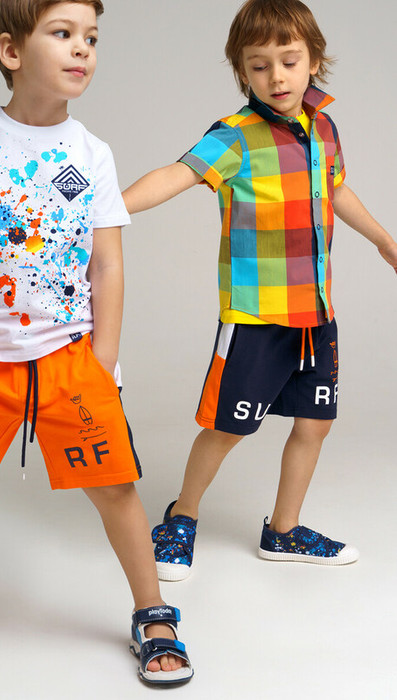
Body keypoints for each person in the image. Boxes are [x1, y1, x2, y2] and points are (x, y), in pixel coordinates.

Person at [0, 0, 193, 685]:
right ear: (12, 50)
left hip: (70, 357)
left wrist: (103, 359)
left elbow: (108, 263)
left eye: (91, 38)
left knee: (116, 489)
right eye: (63, 34)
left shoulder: (93, 154)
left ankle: (153, 611)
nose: (83, 49)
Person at [123, 0, 397, 582]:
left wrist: (384, 241)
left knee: (314, 424)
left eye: (289, 61)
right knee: (228, 427)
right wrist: (109, 209)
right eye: (259, 65)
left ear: (314, 61)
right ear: (242, 71)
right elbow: (176, 174)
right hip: (255, 317)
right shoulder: (235, 137)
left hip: (315, 313)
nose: (276, 77)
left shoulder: (324, 129)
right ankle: (181, 516)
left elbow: (336, 190)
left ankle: (284, 530)